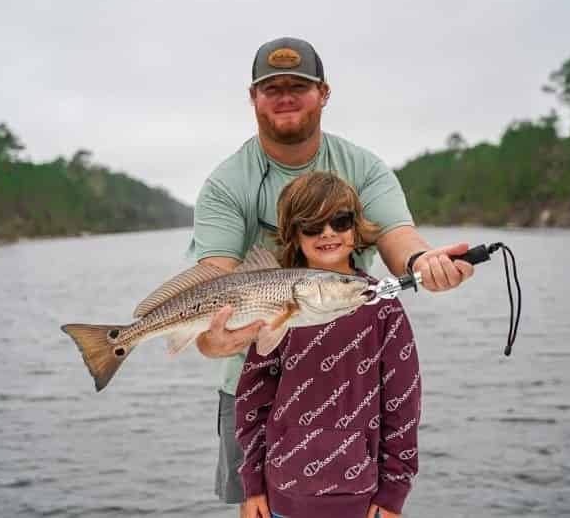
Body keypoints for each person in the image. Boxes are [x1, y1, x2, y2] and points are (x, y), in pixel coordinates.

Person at [186, 36, 473, 513]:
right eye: (270, 87)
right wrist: (206, 337)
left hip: (353, 397)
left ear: (323, 92)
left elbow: (399, 238)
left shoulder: (364, 167)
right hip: (253, 386)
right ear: (252, 98)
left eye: (298, 85)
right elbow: (211, 275)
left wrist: (426, 265)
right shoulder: (226, 184)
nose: (284, 96)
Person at [235, 172, 420, 518]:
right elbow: (252, 399)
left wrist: (394, 492)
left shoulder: (383, 306)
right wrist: (253, 486)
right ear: (293, 233)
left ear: (355, 228)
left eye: (340, 220)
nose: (328, 233)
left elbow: (403, 404)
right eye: (312, 225)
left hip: (361, 502)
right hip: (281, 498)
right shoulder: (276, 303)